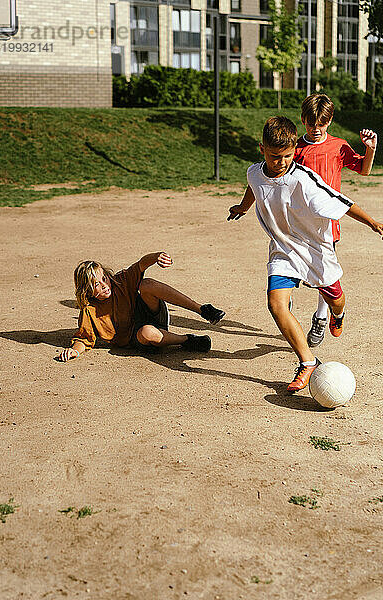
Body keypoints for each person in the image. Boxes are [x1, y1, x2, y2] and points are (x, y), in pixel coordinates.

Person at [228, 116, 383, 392]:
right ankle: (308, 361)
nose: (282, 162)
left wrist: (373, 222)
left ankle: (338, 314)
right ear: (261, 148)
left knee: (335, 299)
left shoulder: (303, 179)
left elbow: (342, 203)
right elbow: (254, 187)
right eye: (275, 156)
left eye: (288, 156)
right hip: (283, 250)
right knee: (276, 304)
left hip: (316, 251)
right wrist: (242, 207)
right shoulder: (253, 172)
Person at [295, 93, 378, 347]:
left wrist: (370, 149)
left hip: (328, 224)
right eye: (311, 123)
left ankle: (322, 316)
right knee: (293, 269)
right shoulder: (295, 147)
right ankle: (285, 312)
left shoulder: (338, 146)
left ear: (329, 121)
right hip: (299, 222)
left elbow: (363, 169)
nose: (316, 129)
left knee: (324, 272)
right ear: (303, 120)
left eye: (321, 123)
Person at [58, 251, 225, 361]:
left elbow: (140, 264)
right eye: (95, 284)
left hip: (152, 312)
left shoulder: (119, 281)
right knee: (147, 332)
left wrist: (157, 256)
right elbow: (84, 339)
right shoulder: (89, 310)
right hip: (138, 338)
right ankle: (187, 340)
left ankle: (202, 309)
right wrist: (75, 350)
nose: (103, 285)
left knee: (146, 284)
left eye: (104, 278)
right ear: (86, 290)